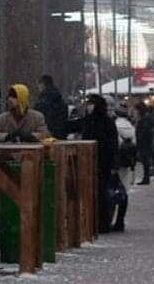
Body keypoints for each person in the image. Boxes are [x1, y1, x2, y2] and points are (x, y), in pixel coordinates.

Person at [73, 95, 119, 233]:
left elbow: (112, 144)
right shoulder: (104, 121)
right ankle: (99, 223)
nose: (88, 106)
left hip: (99, 163)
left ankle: (99, 223)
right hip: (98, 162)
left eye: (90, 104)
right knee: (99, 194)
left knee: (100, 194)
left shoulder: (98, 121)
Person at [33, 74, 68, 139]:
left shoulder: (42, 102)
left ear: (43, 84)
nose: (38, 87)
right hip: (60, 136)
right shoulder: (60, 100)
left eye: (39, 84)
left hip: (47, 137)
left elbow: (37, 119)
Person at [134, 102, 154, 184]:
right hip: (147, 142)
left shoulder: (144, 118)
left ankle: (146, 178)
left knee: (146, 161)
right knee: (147, 160)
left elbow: (144, 130)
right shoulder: (147, 116)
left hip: (144, 142)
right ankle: (149, 177)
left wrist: (140, 137)